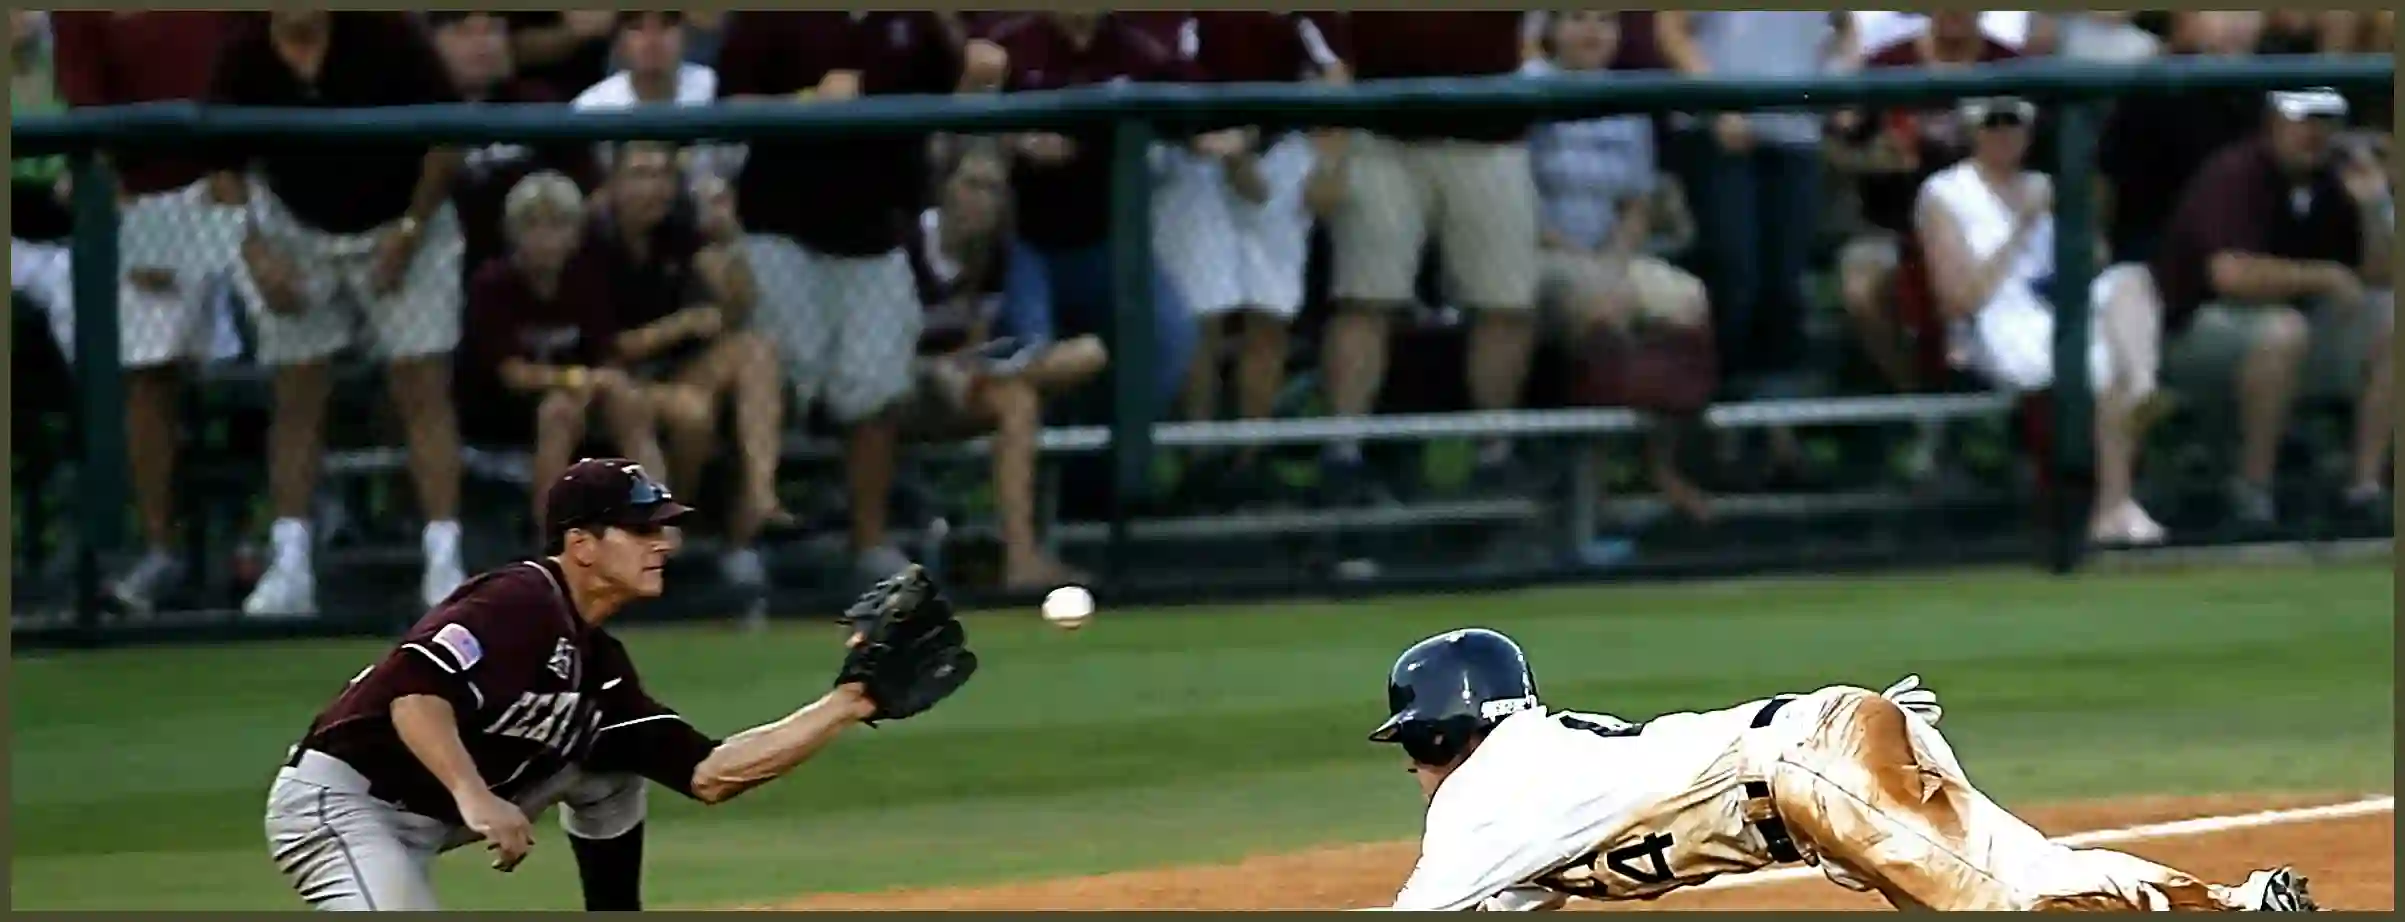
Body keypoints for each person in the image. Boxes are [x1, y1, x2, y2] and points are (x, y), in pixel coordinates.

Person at [262, 458, 977, 911]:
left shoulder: (599, 666)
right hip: (340, 805)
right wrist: (477, 800)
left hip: (430, 809)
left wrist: (848, 703)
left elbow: (711, 773)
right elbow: (412, 696)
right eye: (640, 530)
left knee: (608, 767)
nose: (662, 543)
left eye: (662, 527)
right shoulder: (518, 599)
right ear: (581, 544)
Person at [1362, 627, 2320, 912]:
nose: (1416, 768)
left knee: (1997, 902)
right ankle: (2244, 903)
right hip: (1824, 759)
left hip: (1808, 769)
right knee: (2016, 882)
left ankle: (2238, 911)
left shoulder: (1487, 794)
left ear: (1450, 734)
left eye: (1418, 743)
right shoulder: (1527, 795)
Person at [209, 11, 472, 617]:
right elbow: (221, 164)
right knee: (297, 393)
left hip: (405, 223)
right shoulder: (242, 49)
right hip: (294, 230)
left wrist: (409, 232)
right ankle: (291, 563)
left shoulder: (389, 32)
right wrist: (253, 250)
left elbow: (449, 134)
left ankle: (445, 562)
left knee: (421, 385)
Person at [1914, 96, 2171, 546]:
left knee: (2131, 280)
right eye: (1992, 124)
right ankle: (2113, 506)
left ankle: (2144, 389)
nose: (2004, 134)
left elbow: (2095, 261)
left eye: (2014, 124)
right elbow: (1958, 301)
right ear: (1973, 131)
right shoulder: (1945, 192)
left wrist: (2075, 219)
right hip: (1996, 322)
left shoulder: (2045, 185)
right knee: (2104, 364)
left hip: (2060, 304)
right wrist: (2023, 224)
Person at [457, 171, 666, 530]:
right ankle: (551, 540)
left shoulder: (585, 278)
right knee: (558, 411)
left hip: (579, 395)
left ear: (574, 235)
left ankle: (657, 519)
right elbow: (512, 374)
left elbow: (605, 353)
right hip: (503, 409)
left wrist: (598, 382)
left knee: (625, 397)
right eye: (533, 227)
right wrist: (573, 378)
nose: (545, 240)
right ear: (513, 233)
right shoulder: (492, 284)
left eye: (557, 227)